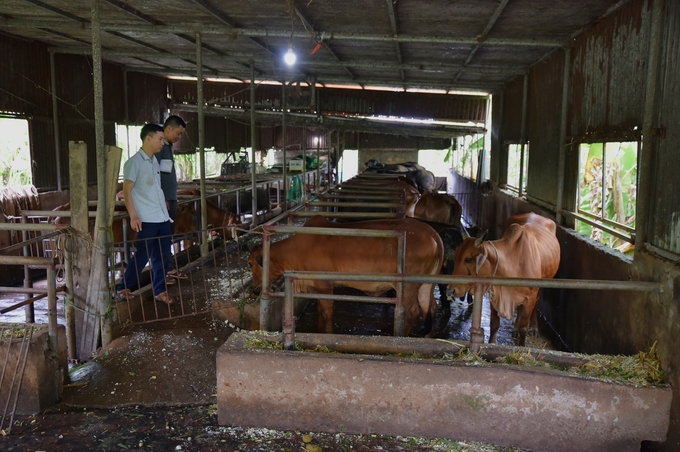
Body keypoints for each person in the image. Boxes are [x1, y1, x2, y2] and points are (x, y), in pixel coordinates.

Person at [116, 123, 175, 305]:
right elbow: (127, 190)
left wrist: (162, 199)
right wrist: (133, 215)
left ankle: (160, 290)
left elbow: (154, 186)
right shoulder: (133, 162)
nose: (162, 143)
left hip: (162, 216)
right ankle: (123, 287)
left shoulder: (154, 161)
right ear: (148, 139)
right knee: (143, 255)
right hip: (147, 219)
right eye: (159, 139)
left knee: (163, 255)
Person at [155, 115, 188, 281]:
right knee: (161, 236)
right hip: (163, 200)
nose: (179, 137)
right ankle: (162, 272)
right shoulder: (158, 147)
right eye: (178, 133)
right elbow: (154, 174)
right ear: (169, 128)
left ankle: (166, 268)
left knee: (167, 235)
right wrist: (161, 197)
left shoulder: (167, 147)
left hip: (169, 198)